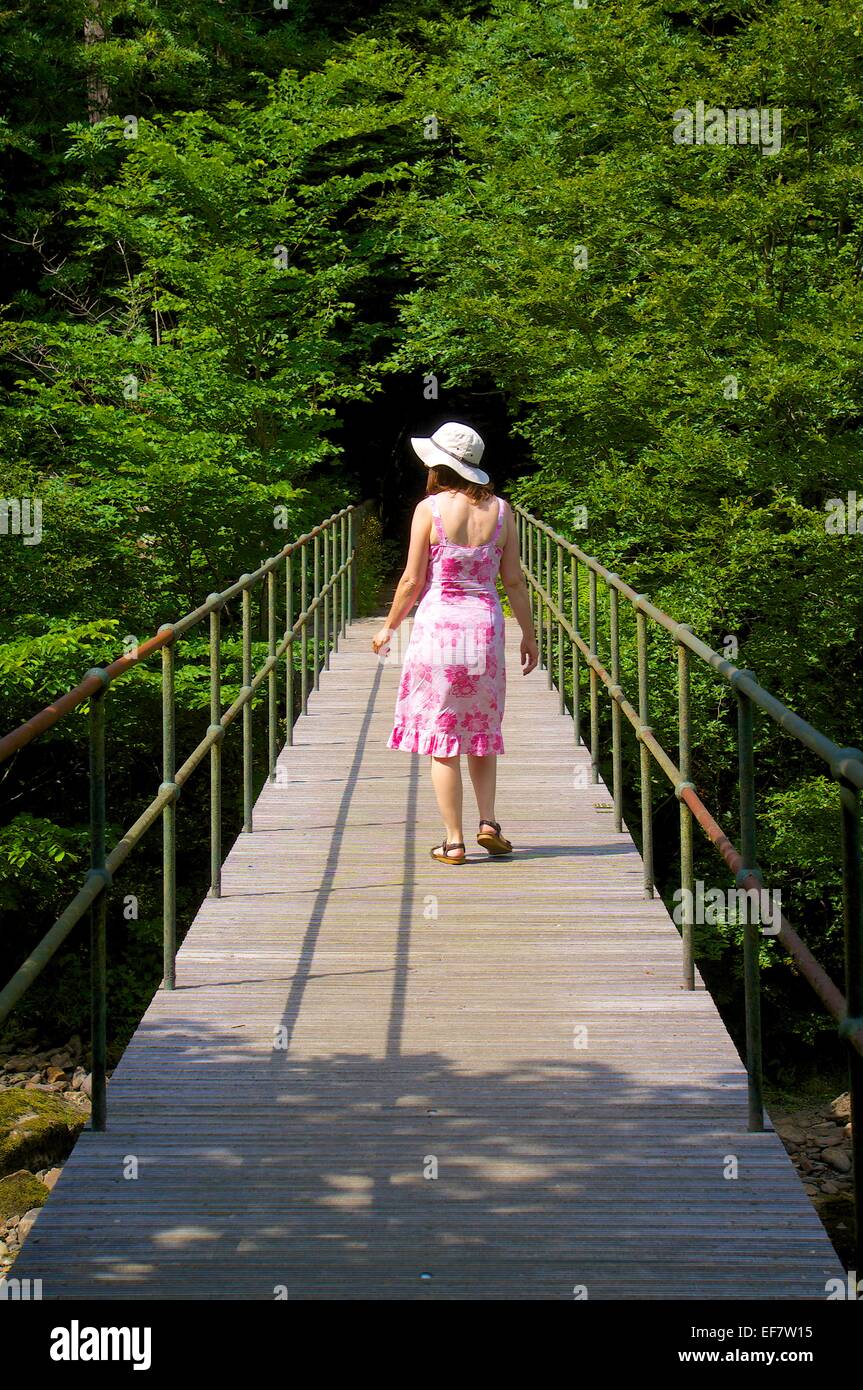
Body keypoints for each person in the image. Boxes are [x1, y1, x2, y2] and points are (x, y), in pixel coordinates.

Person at [371, 422, 539, 864]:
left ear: (438, 464)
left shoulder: (430, 509)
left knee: (443, 736)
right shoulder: (503, 511)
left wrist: (389, 626)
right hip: (484, 627)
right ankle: (489, 822)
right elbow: (514, 581)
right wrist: (530, 634)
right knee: (481, 731)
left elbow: (412, 580)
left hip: (440, 629)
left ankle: (454, 840)